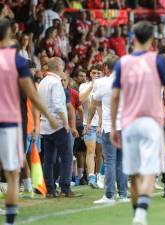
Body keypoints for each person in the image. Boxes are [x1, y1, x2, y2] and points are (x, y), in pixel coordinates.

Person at [110, 20, 165, 225]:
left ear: (132, 37)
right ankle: (141, 213)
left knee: (134, 174)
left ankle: (136, 214)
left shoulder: (122, 62)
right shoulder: (156, 60)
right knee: (150, 170)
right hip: (151, 122)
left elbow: (115, 96)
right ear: (151, 39)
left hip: (129, 123)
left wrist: (114, 125)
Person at [0, 18, 57, 225]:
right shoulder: (18, 61)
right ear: (8, 34)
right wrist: (49, 116)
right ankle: (9, 221)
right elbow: (32, 94)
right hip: (10, 121)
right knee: (13, 173)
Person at [88, 55, 129, 204]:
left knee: (110, 161)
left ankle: (109, 195)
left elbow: (94, 100)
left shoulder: (103, 83)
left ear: (106, 67)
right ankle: (123, 194)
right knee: (122, 161)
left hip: (109, 127)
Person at [38, 57, 81, 198]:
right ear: (58, 67)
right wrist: (66, 123)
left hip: (45, 125)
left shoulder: (43, 82)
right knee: (66, 156)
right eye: (62, 67)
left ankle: (49, 189)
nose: (63, 70)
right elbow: (58, 105)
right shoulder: (56, 83)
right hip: (58, 125)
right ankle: (65, 188)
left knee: (49, 159)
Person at [79, 64, 103, 189]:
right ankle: (91, 177)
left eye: (99, 73)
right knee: (90, 150)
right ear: (90, 74)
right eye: (94, 73)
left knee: (101, 154)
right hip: (88, 124)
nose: (96, 75)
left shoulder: (105, 85)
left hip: (104, 125)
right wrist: (91, 86)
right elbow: (80, 100)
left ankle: (98, 175)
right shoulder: (84, 86)